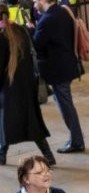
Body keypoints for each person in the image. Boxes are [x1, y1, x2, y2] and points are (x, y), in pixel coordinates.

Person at [0, 17, 56, 166]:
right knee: (32, 123)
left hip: (9, 88)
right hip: (27, 85)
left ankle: (1, 156)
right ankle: (48, 155)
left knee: (5, 124)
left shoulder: (1, 36)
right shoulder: (21, 30)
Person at [30, 0, 83, 154]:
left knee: (66, 105)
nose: (34, 4)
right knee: (63, 102)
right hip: (67, 65)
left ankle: (76, 141)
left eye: (35, 1)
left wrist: (31, 30)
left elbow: (36, 45)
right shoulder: (62, 12)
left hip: (58, 70)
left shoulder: (47, 20)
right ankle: (76, 139)